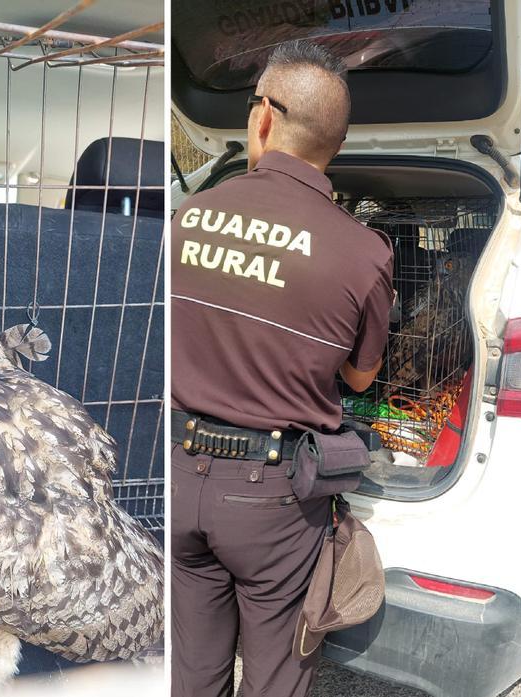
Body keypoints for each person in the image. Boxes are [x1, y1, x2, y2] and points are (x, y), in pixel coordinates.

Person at [168, 40, 394, 697]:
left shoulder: (188, 217)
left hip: (179, 477)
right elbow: (358, 379)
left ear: (263, 117)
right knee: (275, 680)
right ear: (335, 143)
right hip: (271, 500)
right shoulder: (362, 253)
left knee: (193, 674)